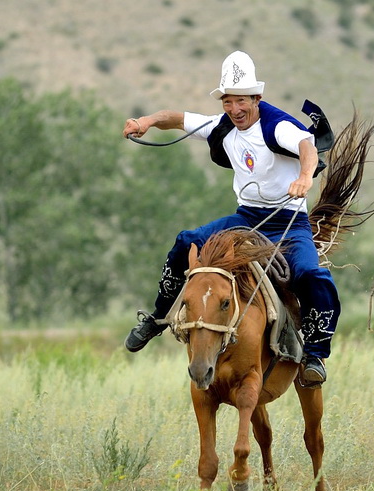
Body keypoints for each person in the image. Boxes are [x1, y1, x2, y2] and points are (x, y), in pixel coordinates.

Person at [122, 50, 340, 386]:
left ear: (257, 97)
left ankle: (315, 354)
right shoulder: (223, 126)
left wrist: (306, 176)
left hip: (289, 223)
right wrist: (146, 122)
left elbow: (307, 147)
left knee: (312, 275)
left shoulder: (277, 126)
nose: (235, 109)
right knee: (185, 241)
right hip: (246, 218)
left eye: (241, 101)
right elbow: (178, 118)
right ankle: (157, 318)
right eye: (227, 101)